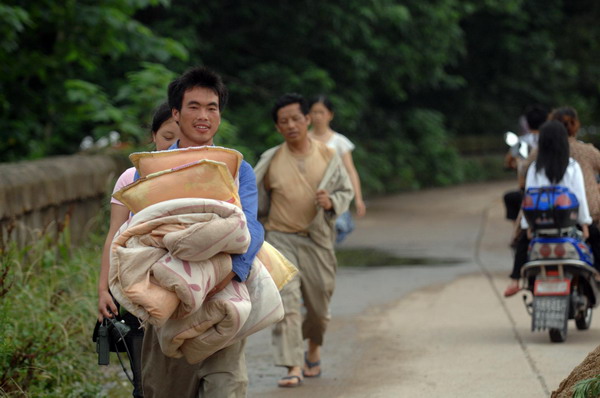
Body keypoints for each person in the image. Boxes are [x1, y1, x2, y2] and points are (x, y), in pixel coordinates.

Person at [140, 66, 264, 398]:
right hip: (170, 302)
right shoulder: (151, 169)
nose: (203, 115)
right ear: (176, 113)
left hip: (223, 299)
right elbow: (138, 231)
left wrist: (233, 273)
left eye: (212, 107)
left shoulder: (238, 168)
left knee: (225, 386)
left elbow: (251, 225)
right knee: (163, 389)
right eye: (193, 106)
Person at [254, 93, 353, 387]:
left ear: (308, 119)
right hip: (281, 238)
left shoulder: (328, 155)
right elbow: (255, 200)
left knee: (320, 309)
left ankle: (313, 349)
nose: (291, 125)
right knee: (287, 304)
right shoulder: (269, 160)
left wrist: (331, 201)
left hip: (318, 238)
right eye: (284, 121)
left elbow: (345, 191)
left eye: (296, 118)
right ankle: (293, 365)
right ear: (277, 128)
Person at [97, 102, 180, 398]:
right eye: (167, 137)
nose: (174, 145)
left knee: (180, 378)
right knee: (143, 384)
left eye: (180, 139)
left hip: (182, 288)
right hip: (135, 288)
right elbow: (114, 236)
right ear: (154, 136)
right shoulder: (130, 179)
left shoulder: (199, 178)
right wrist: (104, 289)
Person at [504, 120, 592, 297]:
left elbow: (528, 199)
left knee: (521, 244)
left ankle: (515, 279)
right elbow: (579, 197)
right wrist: (585, 223)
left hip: (539, 224)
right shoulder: (572, 167)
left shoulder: (534, 169)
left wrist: (526, 227)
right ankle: (596, 275)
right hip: (567, 223)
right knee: (596, 240)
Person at [308, 95, 366, 243]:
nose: (318, 116)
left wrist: (358, 199)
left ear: (330, 115)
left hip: (333, 195)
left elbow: (350, 170)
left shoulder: (340, 142)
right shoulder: (303, 141)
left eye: (322, 112)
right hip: (308, 195)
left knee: (331, 234)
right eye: (314, 112)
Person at [503, 104, 548, 221]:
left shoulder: (521, 142)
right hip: (552, 189)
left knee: (510, 199)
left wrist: (514, 164)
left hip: (528, 191)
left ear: (527, 123)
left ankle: (518, 229)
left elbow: (508, 161)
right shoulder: (552, 139)